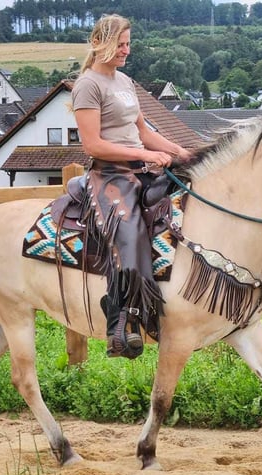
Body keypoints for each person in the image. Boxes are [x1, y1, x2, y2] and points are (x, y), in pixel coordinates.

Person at [71, 14, 192, 359]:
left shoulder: (124, 81)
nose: (127, 50)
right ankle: (120, 322)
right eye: (120, 45)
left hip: (139, 168)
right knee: (129, 230)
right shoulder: (88, 85)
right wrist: (144, 154)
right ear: (100, 44)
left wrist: (180, 152)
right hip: (109, 175)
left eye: (128, 44)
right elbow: (93, 145)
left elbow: (145, 131)